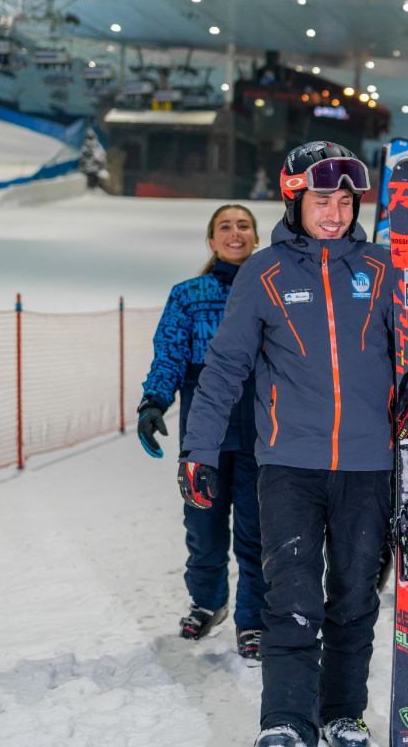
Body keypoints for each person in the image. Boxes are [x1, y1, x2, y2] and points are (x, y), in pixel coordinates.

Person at [177, 142, 408, 747]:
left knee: (354, 597)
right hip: (288, 464)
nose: (335, 212)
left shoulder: (381, 269)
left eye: (346, 200)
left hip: (368, 463)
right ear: (295, 199)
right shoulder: (265, 272)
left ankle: (342, 712)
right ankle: (286, 719)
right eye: (322, 199)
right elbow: (223, 368)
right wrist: (197, 452)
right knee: (292, 597)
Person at [137, 204, 269, 662]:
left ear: (257, 237)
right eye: (225, 227)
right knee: (204, 528)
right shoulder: (189, 295)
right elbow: (170, 354)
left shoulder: (274, 289)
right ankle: (209, 602)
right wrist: (154, 402)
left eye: (244, 226)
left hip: (264, 434)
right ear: (211, 242)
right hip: (205, 434)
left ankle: (253, 620)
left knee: (257, 533)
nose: (236, 233)